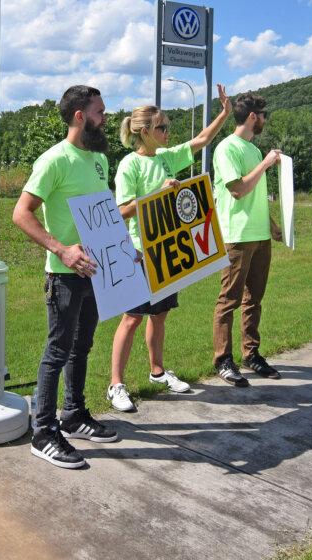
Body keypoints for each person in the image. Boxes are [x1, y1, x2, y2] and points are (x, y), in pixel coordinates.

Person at [106, 84, 233, 412]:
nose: (168, 133)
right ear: (145, 131)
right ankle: (116, 384)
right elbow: (120, 211)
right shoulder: (129, 166)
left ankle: (157, 372)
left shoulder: (164, 157)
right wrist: (157, 194)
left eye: (168, 127)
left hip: (166, 251)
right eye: (162, 128)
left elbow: (201, 140)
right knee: (132, 317)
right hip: (138, 252)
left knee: (160, 315)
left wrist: (224, 114)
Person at [12, 85, 120, 469]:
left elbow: (103, 212)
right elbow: (21, 213)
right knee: (57, 351)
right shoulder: (54, 160)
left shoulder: (98, 161)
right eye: (100, 112)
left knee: (82, 346)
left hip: (96, 272)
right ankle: (43, 431)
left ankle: (73, 415)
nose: (105, 119)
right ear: (80, 116)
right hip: (64, 275)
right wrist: (62, 249)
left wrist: (124, 250)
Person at [210, 92, 282, 387]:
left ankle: (251, 354)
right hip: (236, 236)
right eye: (263, 115)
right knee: (230, 299)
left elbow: (255, 196)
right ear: (253, 117)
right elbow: (238, 189)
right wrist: (265, 164)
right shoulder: (227, 148)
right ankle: (222, 359)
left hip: (259, 235)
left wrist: (272, 224)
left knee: (255, 299)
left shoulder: (252, 150)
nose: (265, 120)